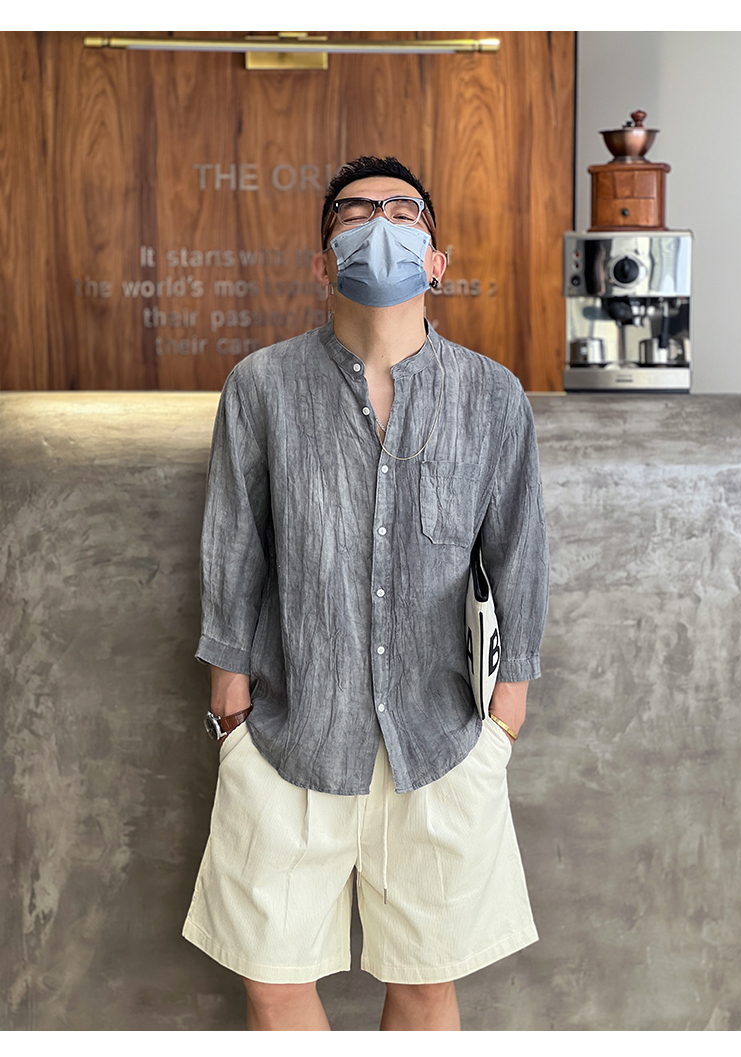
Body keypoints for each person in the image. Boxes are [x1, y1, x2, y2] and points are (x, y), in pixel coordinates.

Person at [182, 155, 549, 1031]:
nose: (379, 225)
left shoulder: (492, 396)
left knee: (424, 983)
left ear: (436, 261)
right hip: (288, 734)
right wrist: (230, 713)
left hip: (442, 741)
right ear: (323, 263)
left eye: (403, 213)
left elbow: (521, 556)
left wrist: (504, 721)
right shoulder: (261, 387)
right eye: (353, 214)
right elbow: (234, 552)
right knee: (273, 980)